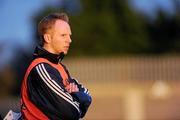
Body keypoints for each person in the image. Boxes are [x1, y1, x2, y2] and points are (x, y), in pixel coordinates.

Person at [20, 12, 92, 120]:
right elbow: (70, 111)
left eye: (69, 35)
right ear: (48, 38)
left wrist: (74, 95)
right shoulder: (40, 67)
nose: (69, 40)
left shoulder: (60, 67)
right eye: (63, 35)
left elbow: (88, 95)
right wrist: (76, 97)